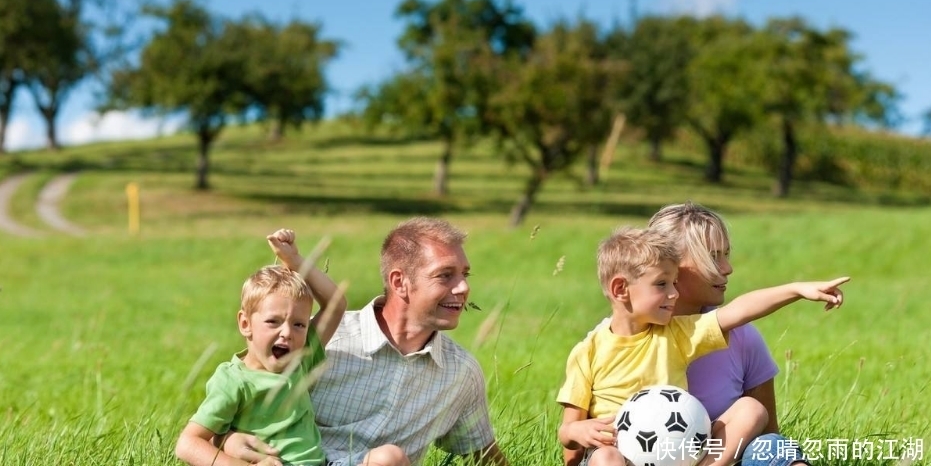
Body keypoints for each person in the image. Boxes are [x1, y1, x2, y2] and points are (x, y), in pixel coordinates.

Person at [224, 217, 509, 466]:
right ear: (399, 282)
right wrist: (231, 442)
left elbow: (482, 455)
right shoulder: (324, 340)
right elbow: (238, 408)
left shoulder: (461, 373)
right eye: (445, 275)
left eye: (464, 275)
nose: (463, 287)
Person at [557, 226, 847, 466]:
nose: (673, 293)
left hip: (681, 454)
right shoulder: (588, 351)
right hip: (621, 456)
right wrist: (578, 431)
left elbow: (739, 310)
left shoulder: (678, 334)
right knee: (606, 458)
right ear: (621, 289)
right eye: (662, 284)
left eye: (674, 283)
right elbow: (567, 431)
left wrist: (797, 290)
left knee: (751, 409)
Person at [649, 201, 815, 466]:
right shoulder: (622, 337)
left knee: (774, 447)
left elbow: (767, 438)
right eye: (713, 256)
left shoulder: (741, 338)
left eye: (726, 254)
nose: (727, 268)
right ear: (671, 267)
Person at [175, 228, 348, 466]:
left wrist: (294, 260)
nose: (287, 332)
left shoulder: (301, 357)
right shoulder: (234, 382)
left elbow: (336, 304)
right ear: (245, 324)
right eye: (273, 322)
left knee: (389, 457)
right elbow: (188, 444)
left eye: (298, 324)